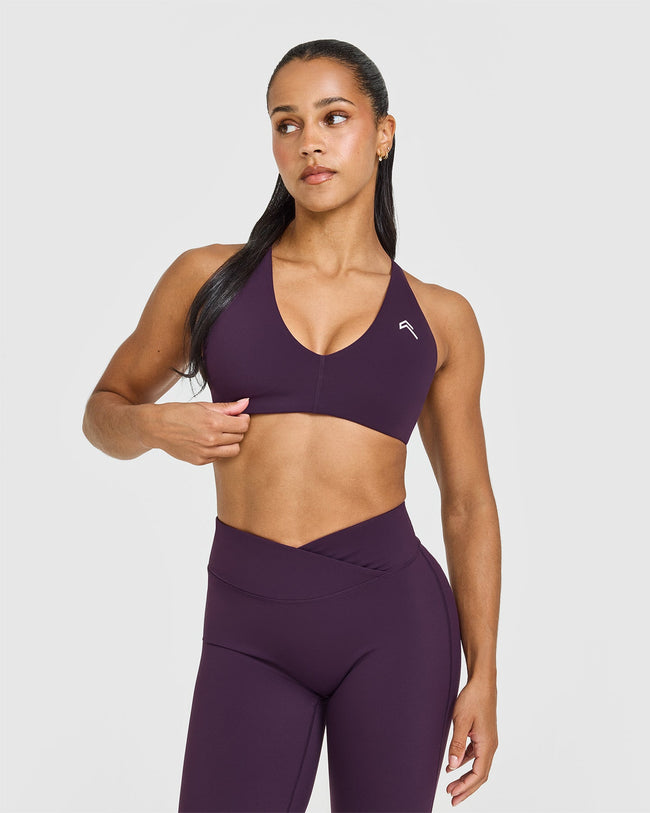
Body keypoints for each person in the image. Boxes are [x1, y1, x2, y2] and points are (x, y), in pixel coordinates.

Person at [82, 38, 501, 813]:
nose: (310, 141)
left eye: (334, 117)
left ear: (383, 134)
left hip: (395, 627)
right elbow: (101, 412)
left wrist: (484, 674)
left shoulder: (440, 317)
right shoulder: (208, 278)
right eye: (287, 123)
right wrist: (155, 426)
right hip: (248, 628)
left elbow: (468, 503)